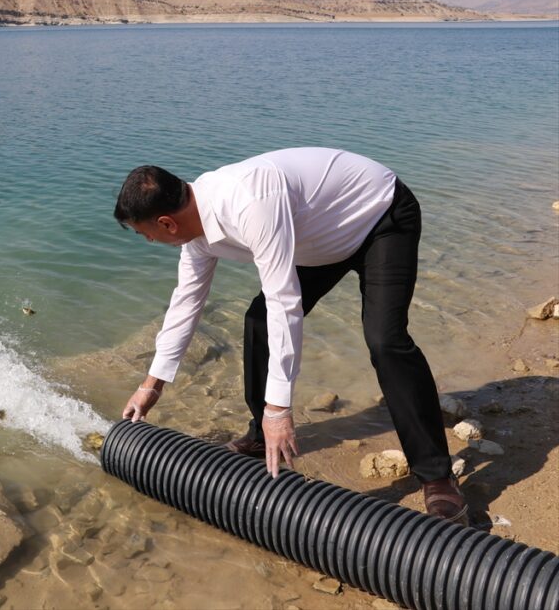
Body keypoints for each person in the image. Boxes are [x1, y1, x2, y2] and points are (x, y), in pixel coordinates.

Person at [113, 147, 467, 525]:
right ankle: (258, 434)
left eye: (144, 233)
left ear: (167, 223)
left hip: (379, 216)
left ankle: (437, 477)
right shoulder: (196, 229)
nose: (149, 242)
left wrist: (280, 409)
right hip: (319, 240)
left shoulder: (250, 202)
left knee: (385, 340)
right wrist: (152, 385)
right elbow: (186, 303)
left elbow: (286, 303)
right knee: (259, 322)